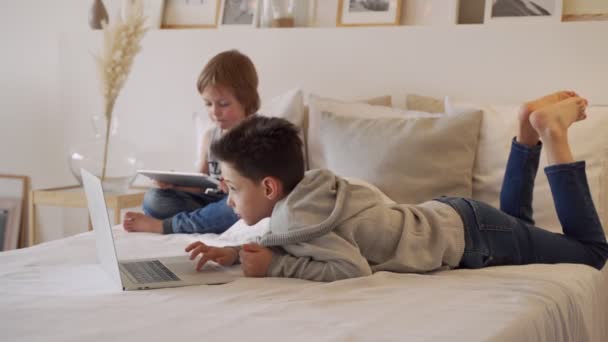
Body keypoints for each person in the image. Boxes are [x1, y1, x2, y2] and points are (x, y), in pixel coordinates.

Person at [185, 91, 608, 282]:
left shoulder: (297, 213)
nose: (230, 199)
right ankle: (525, 129)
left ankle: (552, 133)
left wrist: (275, 266)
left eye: (234, 189)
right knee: (515, 224)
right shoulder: (314, 190)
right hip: (462, 219)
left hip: (471, 237)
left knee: (592, 254)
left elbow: (349, 267)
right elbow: (302, 238)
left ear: (271, 187)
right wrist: (237, 252)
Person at [123, 50, 260, 235]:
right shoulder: (211, 136)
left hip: (235, 205)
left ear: (247, 100)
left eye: (223, 104)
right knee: (154, 199)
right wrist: (174, 185)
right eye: (208, 104)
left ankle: (165, 226)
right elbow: (202, 184)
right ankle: (200, 220)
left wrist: (235, 187)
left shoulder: (259, 135)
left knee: (239, 210)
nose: (215, 112)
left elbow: (261, 190)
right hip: (208, 202)